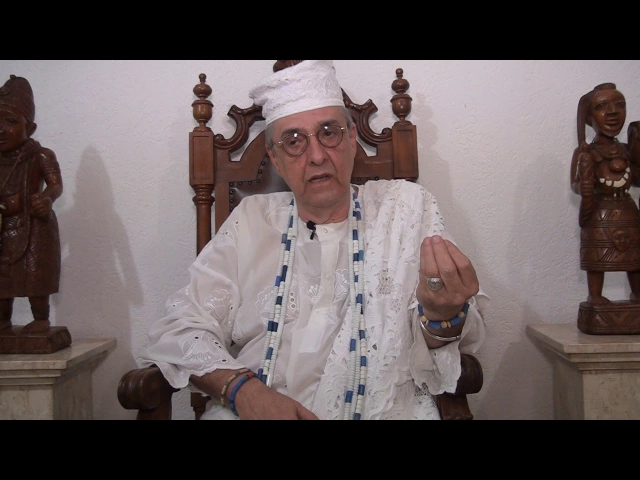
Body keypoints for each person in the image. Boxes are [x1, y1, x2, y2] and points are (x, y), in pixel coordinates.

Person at [141, 60, 488, 420]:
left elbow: (451, 342)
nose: (317, 156)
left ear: (351, 139)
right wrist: (243, 392)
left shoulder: (407, 209)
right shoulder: (251, 220)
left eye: (329, 133)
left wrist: (442, 315)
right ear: (275, 158)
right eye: (293, 141)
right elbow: (182, 327)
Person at [0, 75, 63, 334]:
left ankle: (40, 318)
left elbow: (55, 185)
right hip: (3, 227)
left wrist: (46, 198)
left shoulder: (41, 155)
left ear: (31, 127)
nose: (1, 129)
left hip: (35, 226)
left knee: (36, 275)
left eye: (11, 121)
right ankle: (3, 320)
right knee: (3, 279)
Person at [570, 83, 640, 304]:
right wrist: (583, 187)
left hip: (627, 210)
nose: (612, 112)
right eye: (601, 106)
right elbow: (575, 183)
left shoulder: (626, 150)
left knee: (634, 259)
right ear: (589, 117)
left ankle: (637, 294)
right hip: (598, 212)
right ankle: (595, 296)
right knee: (597, 257)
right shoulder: (585, 153)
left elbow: (636, 179)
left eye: (620, 105)